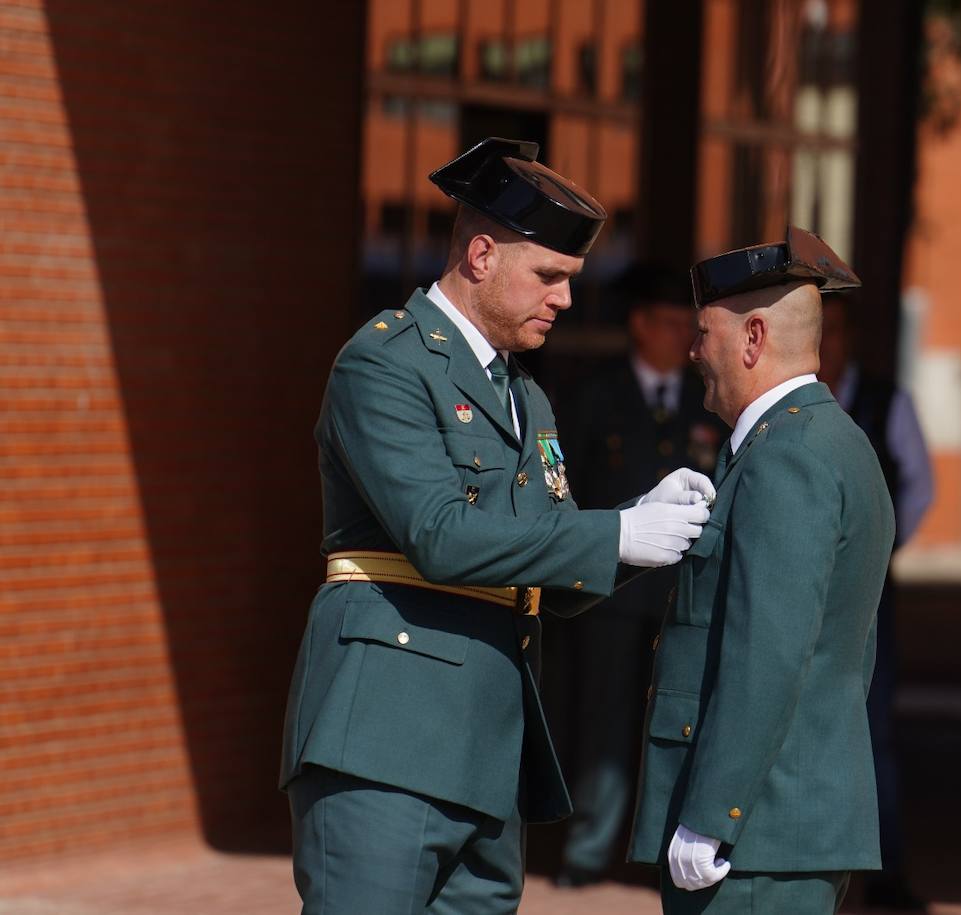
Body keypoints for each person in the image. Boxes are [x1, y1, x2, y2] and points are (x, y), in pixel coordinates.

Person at [279, 137, 714, 915]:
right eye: (549, 276)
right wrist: (612, 533)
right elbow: (439, 534)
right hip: (388, 738)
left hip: (488, 751)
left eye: (571, 280)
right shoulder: (383, 364)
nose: (566, 299)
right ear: (480, 255)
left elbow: (547, 569)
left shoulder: (527, 396)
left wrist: (642, 532)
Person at [628, 227, 896, 914]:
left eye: (704, 333)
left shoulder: (788, 456)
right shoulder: (826, 440)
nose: (693, 351)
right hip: (781, 822)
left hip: (757, 834)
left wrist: (714, 810)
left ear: (752, 339)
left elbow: (767, 651)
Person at [555, 264, 728, 887]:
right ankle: (588, 846)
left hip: (681, 596)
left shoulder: (707, 397)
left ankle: (667, 847)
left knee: (679, 720)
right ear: (639, 325)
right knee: (602, 721)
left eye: (691, 326)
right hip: (611, 590)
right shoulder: (593, 396)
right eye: (671, 323)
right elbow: (563, 494)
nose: (683, 337)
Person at [817, 295, 934, 911]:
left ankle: (884, 872)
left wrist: (884, 547)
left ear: (851, 339)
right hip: (806, 584)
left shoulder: (887, 401)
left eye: (834, 332)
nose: (826, 344)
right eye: (819, 332)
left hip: (868, 590)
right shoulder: (794, 399)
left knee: (874, 727)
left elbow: (920, 483)